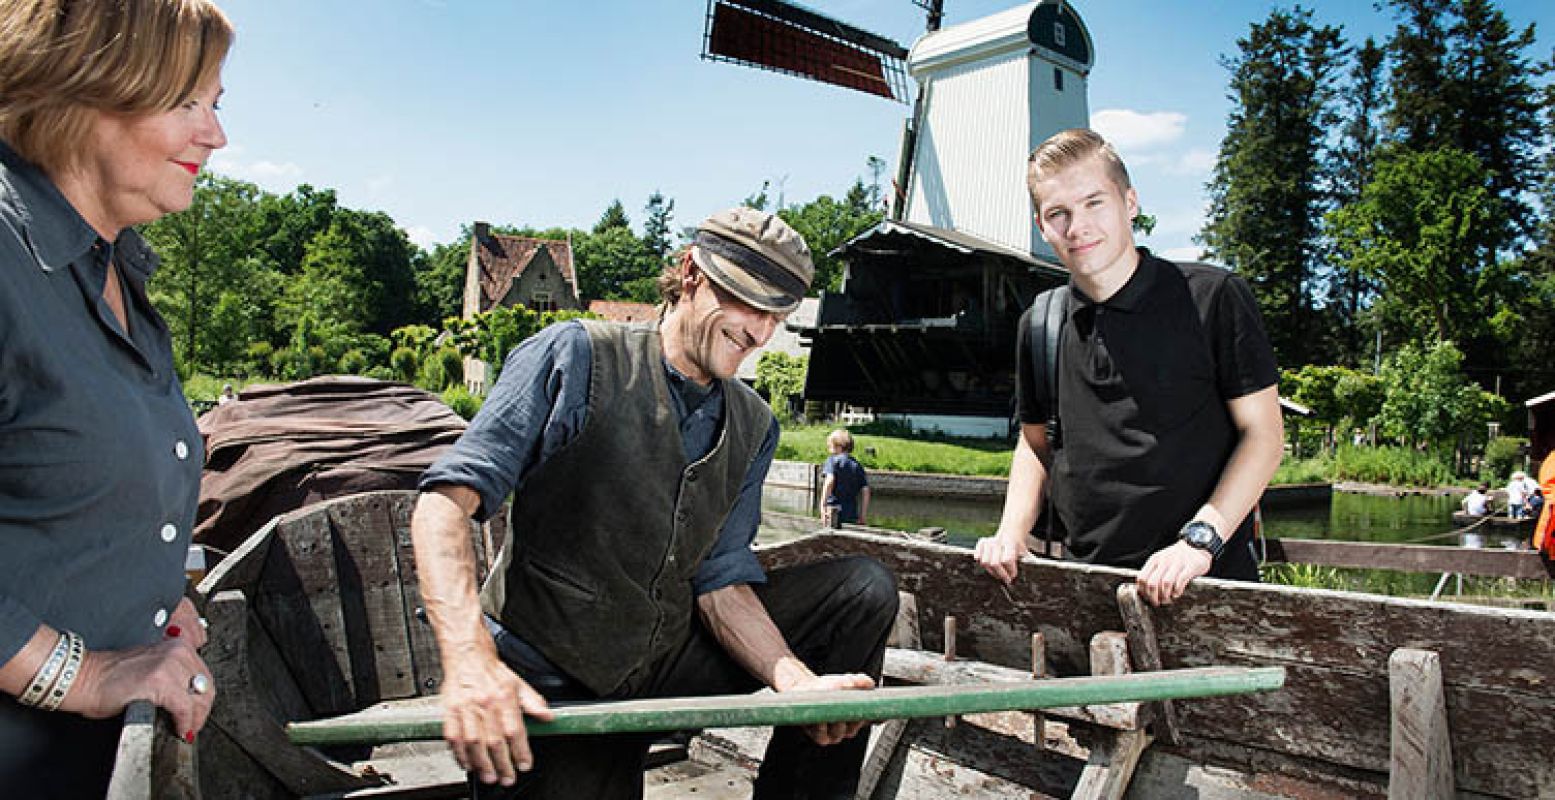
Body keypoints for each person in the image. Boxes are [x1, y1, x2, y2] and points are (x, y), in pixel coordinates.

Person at [411, 207, 898, 799]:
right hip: (552, 678)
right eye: (747, 302)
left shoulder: (754, 424)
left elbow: (720, 582)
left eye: (778, 315)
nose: (761, 332)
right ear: (692, 272)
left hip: (663, 662)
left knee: (862, 590)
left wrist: (796, 682)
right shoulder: (575, 355)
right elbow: (442, 505)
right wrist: (468, 660)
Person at [0, 0, 231, 794]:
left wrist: (151, 601)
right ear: (84, 88)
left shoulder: (114, 271)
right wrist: (84, 676)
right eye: (186, 102)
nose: (216, 136)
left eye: (216, 105)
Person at [975, 128, 1284, 606]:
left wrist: (1200, 541)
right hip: (1082, 588)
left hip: (1205, 584)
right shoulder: (1041, 323)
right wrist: (1010, 534)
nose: (1078, 226)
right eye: (1059, 213)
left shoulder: (1212, 297)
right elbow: (1036, 445)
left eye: (1094, 202)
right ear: (1042, 226)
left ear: (1131, 203)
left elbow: (1263, 436)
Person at [821, 429, 871, 526]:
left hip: (833, 511)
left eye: (830, 445)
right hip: (851, 513)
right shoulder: (857, 465)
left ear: (838, 447)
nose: (828, 448)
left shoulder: (832, 461)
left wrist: (823, 506)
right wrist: (863, 515)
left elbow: (829, 481)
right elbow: (866, 490)